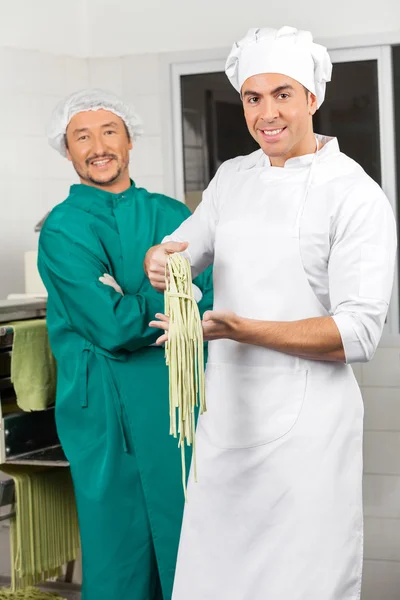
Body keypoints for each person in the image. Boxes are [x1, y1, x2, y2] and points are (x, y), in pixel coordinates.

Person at [144, 26, 397, 600]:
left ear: (313, 97)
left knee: (300, 579)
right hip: (228, 416)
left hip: (309, 429)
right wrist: (158, 260)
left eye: (283, 94)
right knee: (215, 574)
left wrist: (236, 327)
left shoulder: (353, 195)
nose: (267, 113)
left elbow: (357, 333)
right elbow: (180, 247)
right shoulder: (233, 177)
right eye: (253, 98)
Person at [37, 89, 213, 600]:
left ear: (130, 140)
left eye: (109, 131)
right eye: (82, 137)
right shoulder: (64, 228)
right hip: (106, 414)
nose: (98, 146)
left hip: (179, 404)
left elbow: (209, 299)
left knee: (191, 544)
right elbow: (110, 325)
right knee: (121, 552)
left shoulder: (171, 211)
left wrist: (131, 294)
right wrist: (171, 302)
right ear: (67, 152)